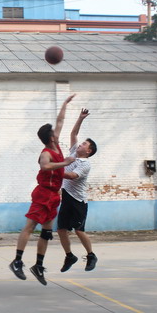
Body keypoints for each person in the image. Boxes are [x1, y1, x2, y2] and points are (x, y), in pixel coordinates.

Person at [9, 94, 76, 285]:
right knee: (30, 226)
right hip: (43, 194)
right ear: (51, 137)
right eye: (54, 132)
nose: (57, 132)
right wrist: (65, 163)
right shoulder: (46, 153)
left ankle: (38, 265)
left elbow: (60, 120)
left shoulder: (56, 145)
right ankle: (17, 261)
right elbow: (45, 166)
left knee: (47, 232)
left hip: (54, 196)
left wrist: (65, 104)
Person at [57, 109, 99, 273]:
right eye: (81, 143)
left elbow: (72, 176)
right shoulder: (74, 152)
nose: (80, 144)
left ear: (88, 151)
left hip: (78, 201)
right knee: (61, 229)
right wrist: (80, 118)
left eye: (84, 144)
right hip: (67, 197)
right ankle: (69, 256)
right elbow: (73, 133)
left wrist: (54, 169)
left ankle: (91, 255)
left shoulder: (85, 164)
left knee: (79, 230)